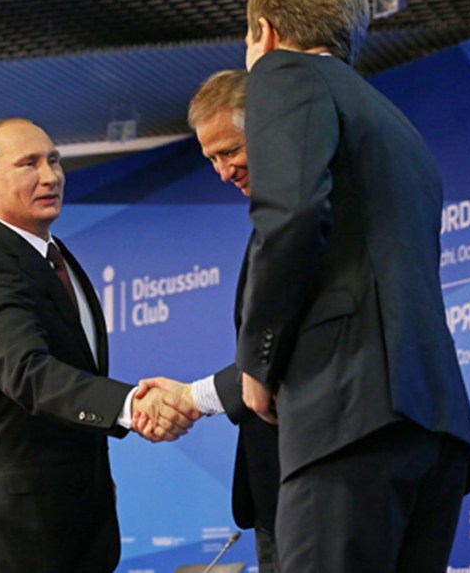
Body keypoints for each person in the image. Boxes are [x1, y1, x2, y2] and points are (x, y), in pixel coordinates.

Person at [236, 0, 470, 572]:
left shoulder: (282, 75)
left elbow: (292, 217)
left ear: (264, 32)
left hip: (347, 414)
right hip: (435, 425)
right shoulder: (397, 124)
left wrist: (259, 360)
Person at [0, 118, 199, 573]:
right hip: (11, 530)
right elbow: (29, 373)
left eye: (54, 160)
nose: (50, 175)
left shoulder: (53, 256)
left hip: (73, 519)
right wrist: (130, 404)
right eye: (28, 164)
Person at [138, 69, 281, 573]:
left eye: (230, 152)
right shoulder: (268, 222)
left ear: (270, 128)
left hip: (315, 486)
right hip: (277, 497)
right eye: (212, 159)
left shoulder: (302, 223)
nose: (223, 171)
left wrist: (188, 398)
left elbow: (283, 355)